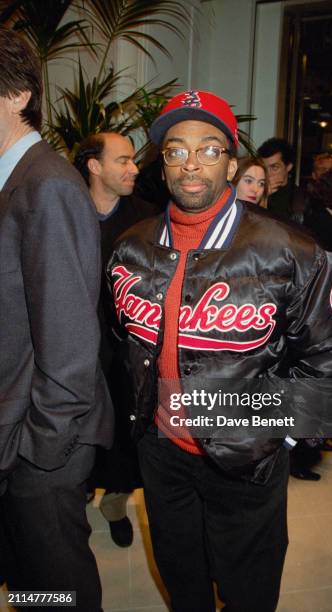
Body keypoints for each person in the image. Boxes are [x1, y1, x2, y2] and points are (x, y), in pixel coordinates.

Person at [107, 89, 332, 612]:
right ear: (162, 165)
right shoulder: (131, 246)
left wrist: (285, 435)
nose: (191, 164)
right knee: (183, 581)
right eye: (176, 150)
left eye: (209, 149)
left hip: (247, 455)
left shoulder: (289, 249)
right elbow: (123, 342)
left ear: (231, 162)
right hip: (161, 452)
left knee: (248, 591)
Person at [0, 27, 113, 610]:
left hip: (42, 443)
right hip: (19, 431)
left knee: (56, 590)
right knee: (30, 585)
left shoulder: (47, 184)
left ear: (18, 93)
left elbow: (69, 343)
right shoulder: (16, 181)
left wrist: (39, 450)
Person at [74, 132, 159, 547]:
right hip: (73, 351)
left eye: (133, 160)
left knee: (127, 440)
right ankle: (78, 496)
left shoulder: (148, 219)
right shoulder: (64, 210)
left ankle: (116, 503)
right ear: (94, 166)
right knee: (76, 437)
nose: (134, 168)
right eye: (123, 160)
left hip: (127, 354)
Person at [257, 136, 305, 223]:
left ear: (288, 167)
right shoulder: (255, 192)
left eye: (274, 167)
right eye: (263, 167)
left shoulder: (300, 198)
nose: (267, 173)